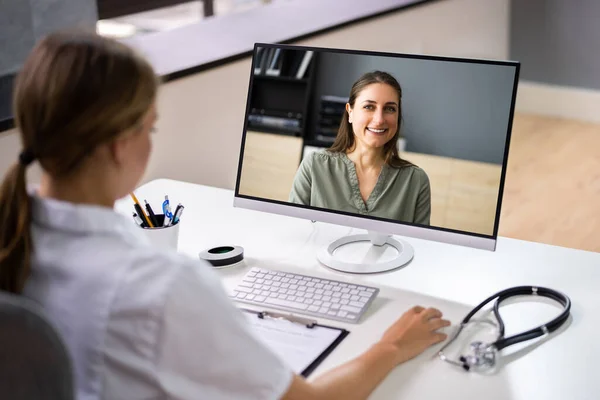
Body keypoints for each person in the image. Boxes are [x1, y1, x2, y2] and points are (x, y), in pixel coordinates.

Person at [0, 31, 449, 400]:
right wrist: (393, 345)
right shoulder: (166, 284)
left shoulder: (13, 239)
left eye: (390, 107)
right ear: (120, 144)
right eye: (149, 127)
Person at [289, 71, 432, 225]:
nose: (379, 119)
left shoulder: (416, 181)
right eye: (369, 106)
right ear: (350, 112)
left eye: (390, 109)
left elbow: (420, 247)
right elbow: (293, 234)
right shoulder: (314, 166)